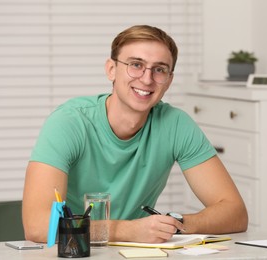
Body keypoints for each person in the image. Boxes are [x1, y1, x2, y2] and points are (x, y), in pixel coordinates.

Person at [22, 24, 248, 243]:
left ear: (169, 80)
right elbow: (38, 226)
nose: (147, 79)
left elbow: (235, 212)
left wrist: (173, 223)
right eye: (136, 65)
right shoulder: (69, 122)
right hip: (73, 250)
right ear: (111, 69)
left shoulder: (176, 124)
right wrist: (126, 230)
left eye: (159, 69)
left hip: (136, 252)